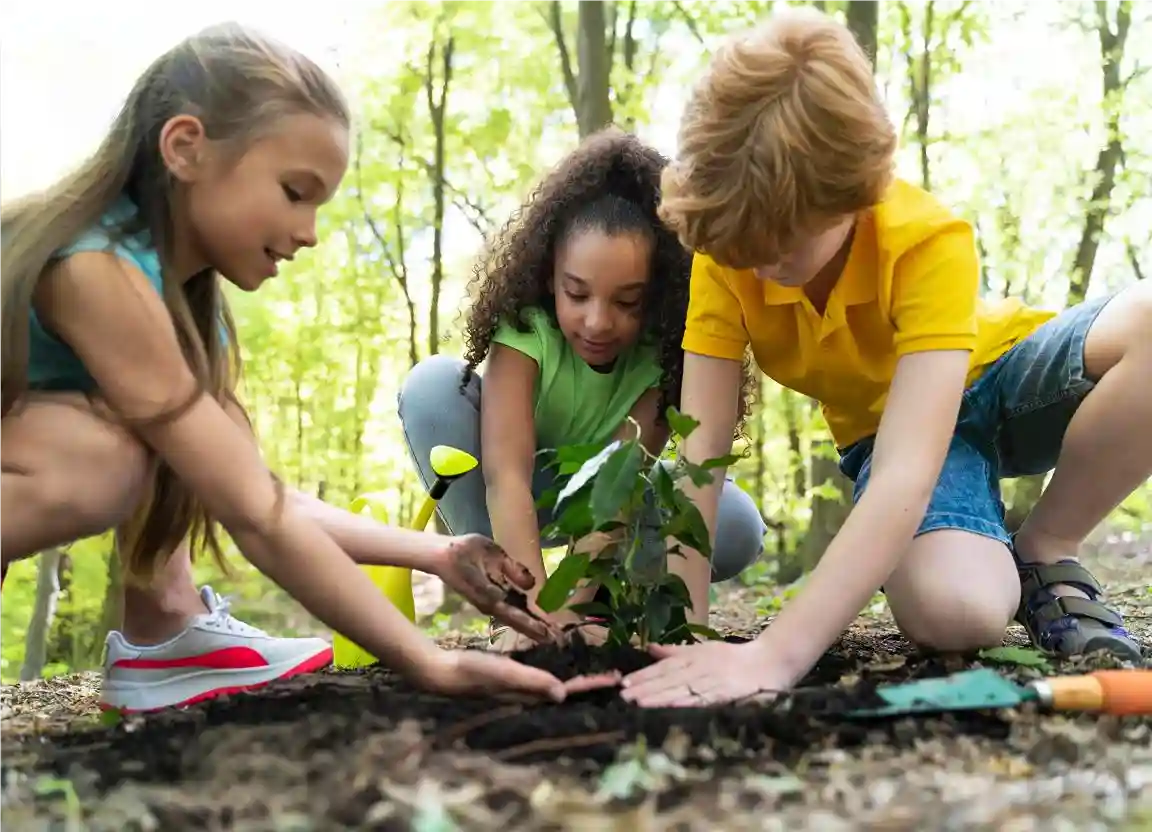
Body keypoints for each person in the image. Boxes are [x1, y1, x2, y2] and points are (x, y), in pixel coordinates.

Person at [0, 22, 618, 714]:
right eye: (296, 192)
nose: (310, 231)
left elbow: (258, 493)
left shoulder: (182, 311)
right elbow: (254, 515)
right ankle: (168, 633)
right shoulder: (94, 269)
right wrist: (429, 664)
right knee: (101, 464)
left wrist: (436, 554)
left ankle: (169, 632)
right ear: (185, 149)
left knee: (184, 436)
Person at [618, 7, 1146, 708]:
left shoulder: (927, 240)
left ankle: (1047, 546)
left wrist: (779, 654)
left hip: (1003, 379)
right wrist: (681, 634)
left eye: (787, 243)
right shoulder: (732, 249)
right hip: (888, 428)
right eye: (748, 247)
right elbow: (700, 451)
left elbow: (906, 474)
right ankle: (997, 560)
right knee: (957, 613)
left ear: (854, 195)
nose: (765, 263)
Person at [397, 127, 767, 651]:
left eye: (627, 302)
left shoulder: (666, 359)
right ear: (550, 277)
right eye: (578, 293)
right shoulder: (526, 330)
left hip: (606, 502)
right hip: (516, 490)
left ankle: (600, 611)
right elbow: (506, 475)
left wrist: (569, 606)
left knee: (733, 524)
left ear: (656, 297)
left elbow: (614, 493)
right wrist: (532, 609)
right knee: (432, 385)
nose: (597, 322)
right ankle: (505, 599)